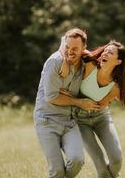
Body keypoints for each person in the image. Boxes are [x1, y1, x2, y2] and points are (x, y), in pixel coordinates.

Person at [34, 28, 101, 178]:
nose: (70, 52)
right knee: (57, 170)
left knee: (77, 160)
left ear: (84, 48)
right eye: (68, 48)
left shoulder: (85, 64)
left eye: (75, 49)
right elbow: (52, 97)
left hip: (69, 122)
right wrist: (79, 102)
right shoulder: (55, 62)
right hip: (47, 121)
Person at [60, 40, 125, 178]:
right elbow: (72, 51)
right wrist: (64, 59)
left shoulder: (116, 88)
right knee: (100, 163)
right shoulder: (89, 66)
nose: (105, 53)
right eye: (105, 50)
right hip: (80, 120)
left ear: (118, 61)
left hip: (101, 118)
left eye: (111, 53)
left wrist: (100, 103)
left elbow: (102, 103)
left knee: (117, 159)